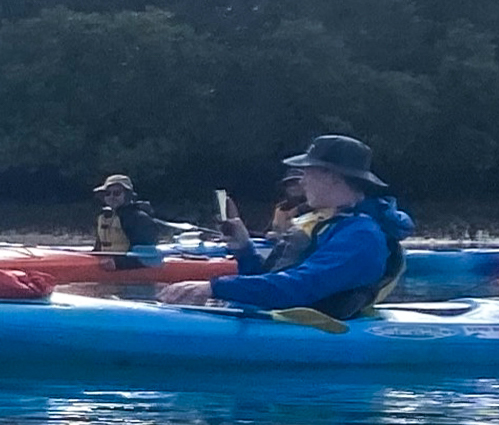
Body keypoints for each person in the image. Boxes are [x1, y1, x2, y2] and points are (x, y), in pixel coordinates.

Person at [160, 135, 413, 319]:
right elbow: (272, 284)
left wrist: (214, 286)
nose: (301, 181)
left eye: (308, 173)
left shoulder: (361, 236)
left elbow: (296, 289)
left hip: (316, 335)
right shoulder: (328, 224)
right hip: (289, 321)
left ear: (333, 178)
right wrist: (244, 250)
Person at [92, 174, 171, 253]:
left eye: (117, 193)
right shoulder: (104, 217)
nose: (111, 196)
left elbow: (144, 250)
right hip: (109, 262)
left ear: (127, 195)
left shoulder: (138, 218)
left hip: (129, 263)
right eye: (107, 193)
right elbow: (98, 248)